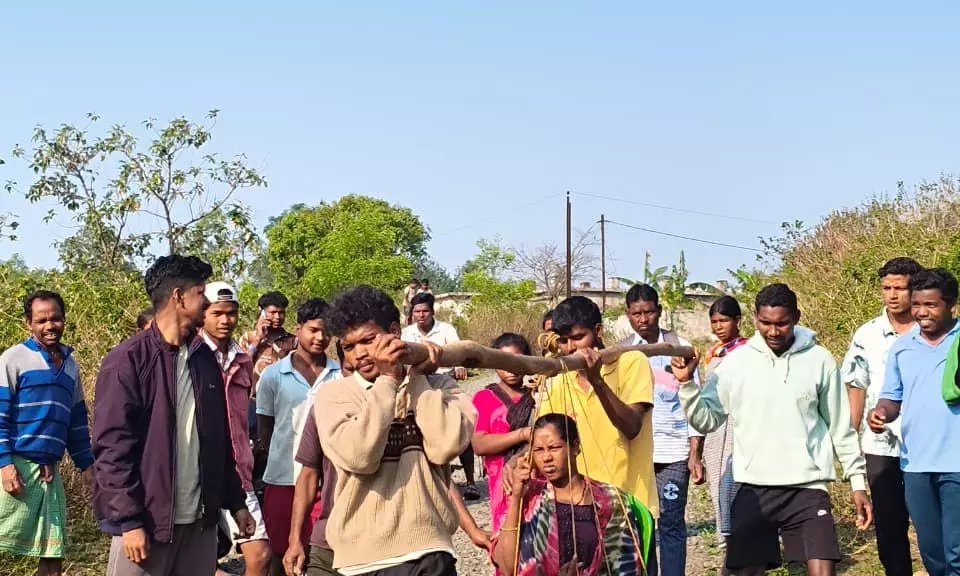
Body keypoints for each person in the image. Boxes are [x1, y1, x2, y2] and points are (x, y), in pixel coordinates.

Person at [674, 283, 871, 576]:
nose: (774, 331)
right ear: (755, 318)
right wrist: (687, 384)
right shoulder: (736, 364)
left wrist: (857, 482)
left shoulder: (820, 360)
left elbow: (840, 428)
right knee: (743, 570)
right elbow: (706, 420)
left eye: (782, 323)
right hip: (754, 487)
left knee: (823, 570)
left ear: (797, 317)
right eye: (766, 323)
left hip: (807, 488)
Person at [93, 255, 254, 576]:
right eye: (200, 292)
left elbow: (219, 441)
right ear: (179, 297)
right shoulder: (127, 361)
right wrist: (129, 522)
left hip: (199, 524)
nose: (205, 300)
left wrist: (237, 504)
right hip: (147, 525)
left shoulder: (204, 359)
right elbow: (112, 450)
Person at [313, 284, 476, 575]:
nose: (360, 354)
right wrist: (388, 381)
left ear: (395, 331)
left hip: (429, 550)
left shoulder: (439, 387)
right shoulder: (333, 395)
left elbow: (446, 446)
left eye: (368, 340)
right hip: (361, 560)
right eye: (349, 347)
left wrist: (415, 378)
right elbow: (359, 457)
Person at [284, 354, 489, 576]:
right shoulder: (330, 400)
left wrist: (471, 528)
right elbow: (309, 475)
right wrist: (295, 539)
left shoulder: (424, 392)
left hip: (416, 546)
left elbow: (434, 477)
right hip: (335, 540)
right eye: (350, 351)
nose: (360, 358)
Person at [532, 297, 659, 552]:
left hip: (629, 503)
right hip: (578, 506)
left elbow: (632, 427)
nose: (570, 348)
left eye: (578, 338)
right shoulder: (558, 378)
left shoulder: (631, 363)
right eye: (564, 340)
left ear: (598, 332)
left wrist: (597, 381)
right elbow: (544, 439)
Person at [870, 268, 960, 576]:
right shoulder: (902, 347)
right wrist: (881, 412)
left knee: (957, 552)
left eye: (931, 305)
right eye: (918, 305)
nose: (922, 312)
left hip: (957, 463)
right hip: (916, 463)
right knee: (932, 551)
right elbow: (891, 397)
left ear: (952, 306)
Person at [0, 290, 93, 576]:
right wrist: (5, 465)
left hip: (48, 473)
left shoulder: (70, 366)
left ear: (64, 320)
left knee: (53, 556)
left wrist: (87, 467)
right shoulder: (13, 359)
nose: (49, 326)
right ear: (29, 323)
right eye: (41, 320)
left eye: (55, 319)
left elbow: (76, 421)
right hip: (16, 465)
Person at [492, 414, 654, 576]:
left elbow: (625, 567)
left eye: (554, 448)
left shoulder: (610, 500)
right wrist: (516, 498)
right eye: (539, 450)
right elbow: (508, 569)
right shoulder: (529, 498)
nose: (546, 457)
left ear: (575, 447)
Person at [841, 257, 922, 576]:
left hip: (925, 442)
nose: (892, 295)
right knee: (890, 525)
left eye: (899, 288)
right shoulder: (867, 334)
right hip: (880, 444)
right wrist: (852, 435)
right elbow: (856, 384)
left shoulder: (932, 329)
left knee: (934, 522)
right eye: (886, 288)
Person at [621, 284, 704, 576]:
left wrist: (695, 453)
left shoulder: (680, 348)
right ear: (628, 315)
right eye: (636, 314)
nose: (643, 319)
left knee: (670, 521)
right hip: (636, 453)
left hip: (673, 453)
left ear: (658, 311)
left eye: (649, 312)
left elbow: (694, 405)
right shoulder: (621, 353)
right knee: (642, 524)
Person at [257, 298, 341, 566]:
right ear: (298, 329)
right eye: (313, 330)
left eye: (326, 332)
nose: (320, 337)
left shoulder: (340, 375)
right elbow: (265, 429)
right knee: (281, 554)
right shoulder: (273, 375)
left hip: (328, 481)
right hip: (283, 478)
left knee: (321, 554)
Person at [200, 281, 272, 576]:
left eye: (231, 313)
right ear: (203, 314)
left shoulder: (243, 360)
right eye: (217, 313)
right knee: (196, 559)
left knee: (260, 555)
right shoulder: (189, 356)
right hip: (198, 472)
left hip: (238, 471)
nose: (225, 320)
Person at [401, 292, 478, 500]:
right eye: (417, 311)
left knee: (459, 425)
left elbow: (458, 352)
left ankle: (471, 482)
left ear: (432, 312)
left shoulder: (446, 330)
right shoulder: (406, 333)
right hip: (417, 384)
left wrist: (460, 365)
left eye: (425, 311)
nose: (421, 315)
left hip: (443, 381)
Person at [472, 333, 536, 533]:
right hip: (503, 482)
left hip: (537, 479)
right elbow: (479, 444)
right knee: (508, 539)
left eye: (517, 361)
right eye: (503, 362)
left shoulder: (538, 395)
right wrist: (523, 434)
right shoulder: (485, 397)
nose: (511, 369)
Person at [700, 295, 748, 547]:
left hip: (739, 424)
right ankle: (724, 533)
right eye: (715, 321)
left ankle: (740, 534)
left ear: (737, 321)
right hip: (715, 428)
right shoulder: (711, 354)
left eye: (724, 320)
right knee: (718, 480)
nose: (719, 326)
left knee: (737, 479)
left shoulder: (748, 352)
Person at [240, 291, 298, 388]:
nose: (278, 317)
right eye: (273, 312)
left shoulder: (293, 340)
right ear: (262, 313)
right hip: (254, 398)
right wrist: (258, 339)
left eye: (281, 313)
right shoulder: (248, 338)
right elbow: (242, 367)